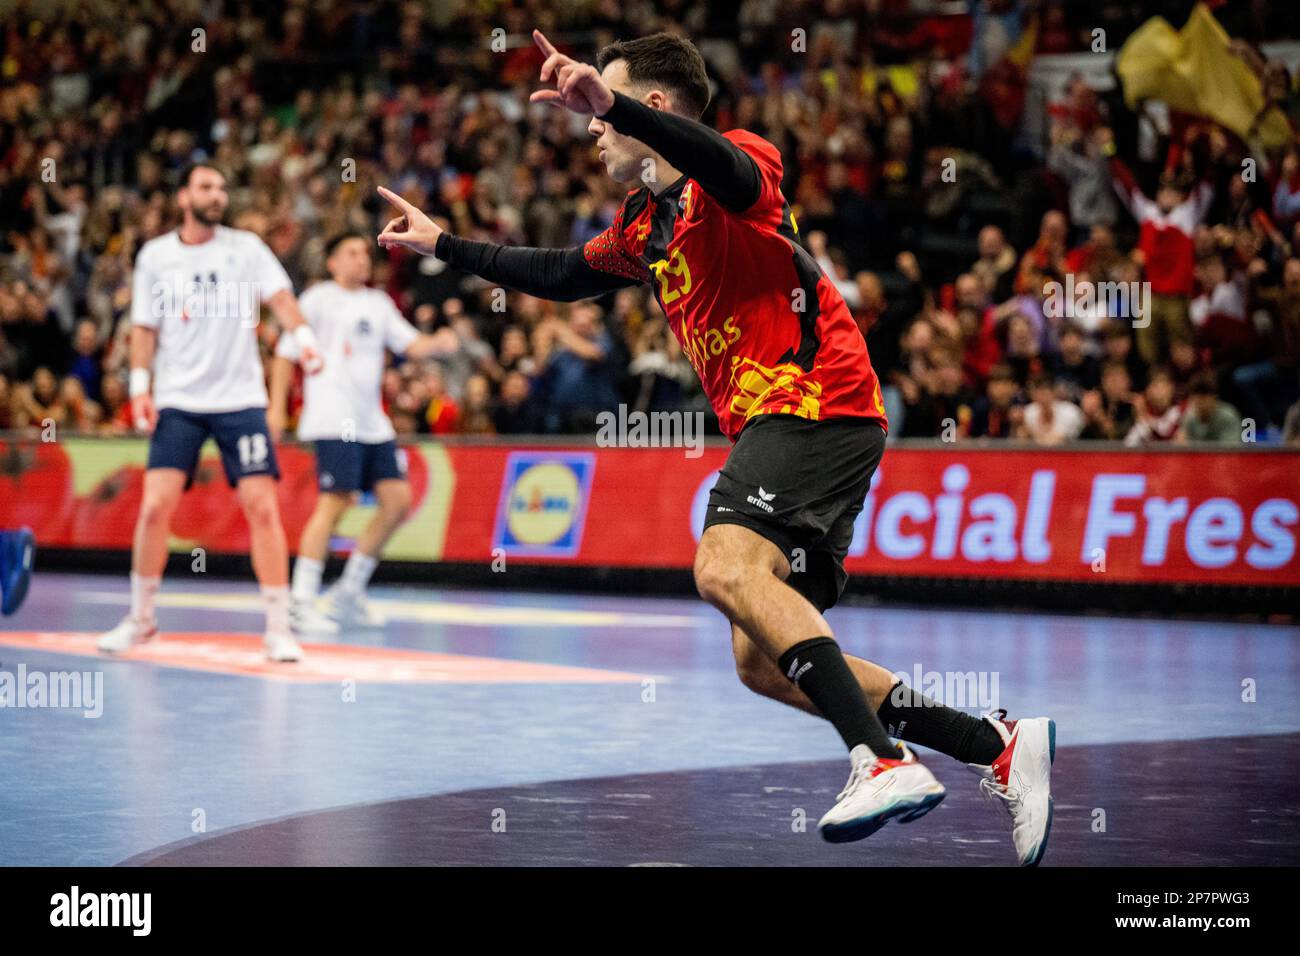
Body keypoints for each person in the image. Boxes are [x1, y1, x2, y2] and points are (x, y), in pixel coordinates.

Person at [375, 30, 1054, 862]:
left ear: (649, 107)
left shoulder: (738, 163)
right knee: (761, 660)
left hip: (815, 402)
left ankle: (881, 758)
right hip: (798, 423)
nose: (590, 129)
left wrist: (609, 99)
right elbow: (556, 273)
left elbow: (722, 170)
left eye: (604, 111)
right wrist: (442, 243)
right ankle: (998, 746)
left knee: (721, 566)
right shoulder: (641, 223)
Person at [97, 162, 324, 662]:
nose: (217, 194)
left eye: (222, 187)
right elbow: (143, 328)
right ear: (184, 197)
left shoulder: (246, 248)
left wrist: (304, 339)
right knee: (156, 506)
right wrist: (140, 387)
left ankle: (278, 627)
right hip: (179, 400)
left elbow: (282, 299)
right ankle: (141, 619)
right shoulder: (156, 256)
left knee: (262, 506)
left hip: (240, 400)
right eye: (206, 186)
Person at [269, 232, 446, 633]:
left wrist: (441, 343)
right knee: (336, 502)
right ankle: (299, 602)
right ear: (332, 263)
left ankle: (348, 593)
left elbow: (411, 345)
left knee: (397, 501)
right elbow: (284, 354)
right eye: (351, 252)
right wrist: (277, 407)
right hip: (333, 417)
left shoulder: (378, 303)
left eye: (365, 253)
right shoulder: (316, 300)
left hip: (372, 422)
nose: (361, 260)